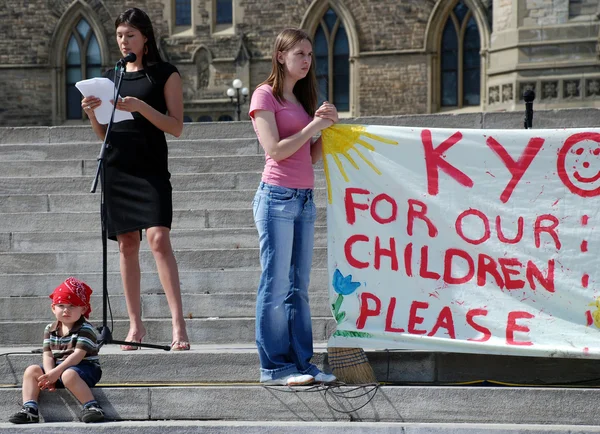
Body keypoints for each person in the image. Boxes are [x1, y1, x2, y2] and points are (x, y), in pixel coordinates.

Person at [80, 8, 189, 351]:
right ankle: (135, 326)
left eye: (130, 35)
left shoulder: (165, 74)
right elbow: (104, 133)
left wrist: (141, 107)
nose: (123, 41)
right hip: (118, 167)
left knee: (158, 240)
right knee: (127, 244)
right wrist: (91, 114)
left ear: (145, 38)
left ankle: (178, 325)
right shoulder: (111, 78)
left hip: (151, 167)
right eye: (119, 36)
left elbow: (176, 126)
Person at [249, 28, 339, 386]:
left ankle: (303, 363)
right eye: (299, 53)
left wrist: (327, 131)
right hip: (276, 197)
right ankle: (274, 368)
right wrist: (313, 125)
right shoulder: (264, 96)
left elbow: (309, 156)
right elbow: (276, 149)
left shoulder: (302, 100)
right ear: (281, 56)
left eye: (309, 54)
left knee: (298, 286)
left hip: (304, 198)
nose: (307, 60)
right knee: (275, 284)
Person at [9, 277, 104, 424]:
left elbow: (78, 356)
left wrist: (56, 373)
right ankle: (30, 409)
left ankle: (92, 406)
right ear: (53, 308)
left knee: (68, 374)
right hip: (58, 370)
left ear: (83, 309)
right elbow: (47, 354)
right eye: (61, 305)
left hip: (84, 369)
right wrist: (49, 375)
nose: (66, 310)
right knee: (32, 370)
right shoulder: (50, 329)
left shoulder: (86, 329)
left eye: (72, 306)